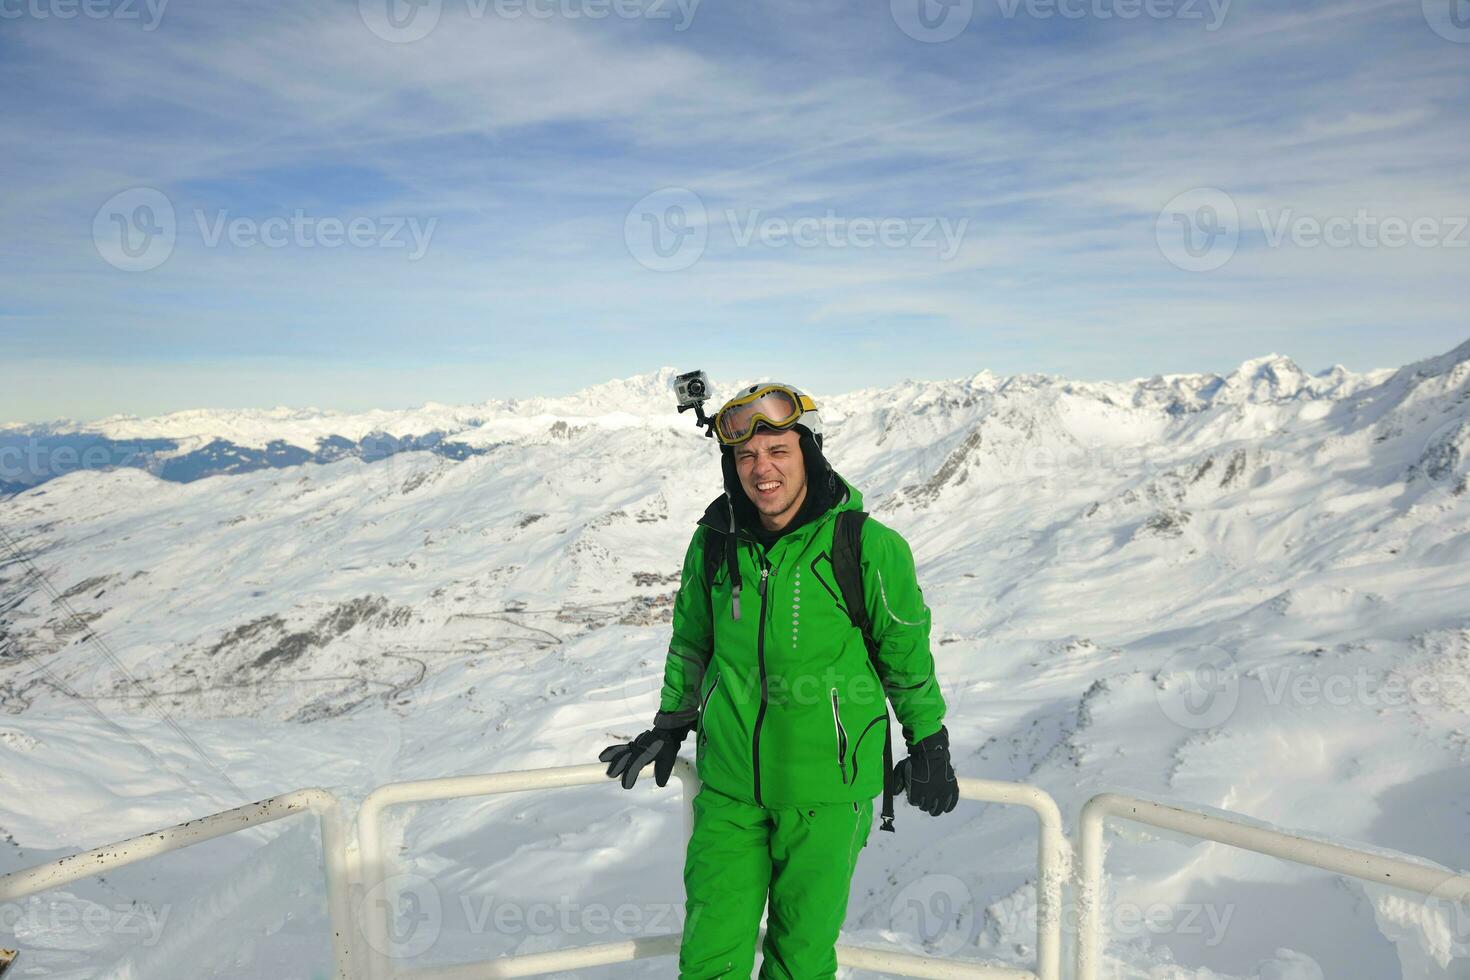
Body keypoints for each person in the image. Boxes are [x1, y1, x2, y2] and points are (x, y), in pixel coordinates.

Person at [599, 381, 958, 979]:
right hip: (730, 790)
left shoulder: (866, 546)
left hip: (829, 795)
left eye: (778, 451)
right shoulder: (714, 542)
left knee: (800, 963)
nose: (761, 469)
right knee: (709, 959)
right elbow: (692, 641)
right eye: (745, 456)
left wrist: (929, 739)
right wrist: (671, 723)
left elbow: (905, 654)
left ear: (809, 453)